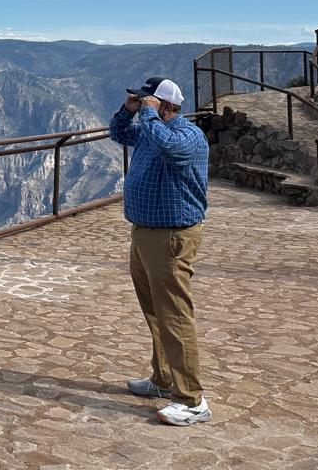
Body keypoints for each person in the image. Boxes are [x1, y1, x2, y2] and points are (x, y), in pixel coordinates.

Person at [110, 76, 212, 426]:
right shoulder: (150, 132)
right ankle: (164, 378)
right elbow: (118, 133)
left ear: (166, 105)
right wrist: (128, 110)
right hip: (144, 232)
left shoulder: (187, 135)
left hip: (170, 236)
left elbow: (171, 149)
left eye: (148, 100)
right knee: (155, 312)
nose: (143, 105)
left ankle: (191, 400)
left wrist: (150, 115)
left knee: (174, 315)